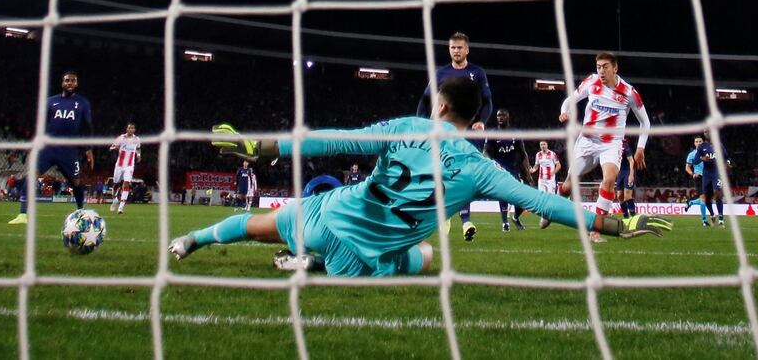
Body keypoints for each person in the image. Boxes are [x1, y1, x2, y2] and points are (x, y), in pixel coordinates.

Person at [169, 77, 671, 277]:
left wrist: (264, 145)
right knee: (428, 253)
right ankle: (317, 267)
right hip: (365, 260)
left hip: (329, 214)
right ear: (473, 121)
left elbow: (334, 139)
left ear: (440, 105)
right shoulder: (481, 171)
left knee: (257, 224)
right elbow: (545, 204)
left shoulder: (405, 126)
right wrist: (613, 224)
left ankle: (190, 241)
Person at [542, 52, 651, 244]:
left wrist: (640, 148)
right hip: (587, 141)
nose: (601, 71)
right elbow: (569, 100)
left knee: (609, 180)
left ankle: (596, 231)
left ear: (615, 68)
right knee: (568, 185)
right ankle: (551, 211)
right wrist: (563, 112)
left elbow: (645, 122)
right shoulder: (591, 82)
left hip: (611, 144)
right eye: (599, 66)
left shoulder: (629, 92)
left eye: (605, 67)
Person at [415, 32, 493, 242]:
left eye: (460, 47)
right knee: (444, 172)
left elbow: (487, 102)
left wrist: (482, 121)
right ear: (449, 49)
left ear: (467, 49)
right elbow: (424, 100)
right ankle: (453, 217)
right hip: (444, 131)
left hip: (469, 132)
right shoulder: (441, 73)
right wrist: (420, 123)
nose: (456, 51)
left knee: (465, 175)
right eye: (453, 47)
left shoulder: (477, 73)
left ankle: (462, 218)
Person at [9, 71, 94, 225]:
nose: (70, 83)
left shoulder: (83, 103)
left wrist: (88, 149)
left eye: (73, 81)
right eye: (67, 80)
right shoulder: (50, 101)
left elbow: (87, 127)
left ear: (77, 84)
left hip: (69, 150)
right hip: (48, 148)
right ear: (62, 83)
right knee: (31, 176)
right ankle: (22, 215)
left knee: (75, 183)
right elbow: (41, 124)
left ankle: (80, 211)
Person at [483, 109, 534, 232]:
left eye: (503, 115)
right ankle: (505, 222)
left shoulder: (515, 133)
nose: (500, 117)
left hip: (513, 169)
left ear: (508, 116)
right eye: (498, 115)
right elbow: (486, 152)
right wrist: (491, 164)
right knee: (503, 195)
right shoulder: (492, 134)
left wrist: (527, 173)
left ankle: (515, 217)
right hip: (498, 170)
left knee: (522, 197)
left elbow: (523, 154)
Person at [693, 129, 731, 227]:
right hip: (706, 174)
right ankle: (712, 214)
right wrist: (702, 158)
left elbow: (727, 157)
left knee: (718, 194)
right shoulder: (702, 147)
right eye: (705, 132)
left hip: (717, 173)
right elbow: (695, 161)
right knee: (707, 198)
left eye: (709, 131)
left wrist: (728, 164)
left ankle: (721, 219)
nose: (707, 133)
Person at [109, 123, 142, 214]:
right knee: (115, 184)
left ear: (134, 130)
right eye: (129, 128)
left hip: (129, 165)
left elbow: (138, 148)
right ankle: (115, 199)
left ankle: (121, 207)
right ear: (127, 129)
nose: (131, 129)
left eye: (132, 128)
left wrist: (139, 155)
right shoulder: (121, 138)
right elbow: (111, 147)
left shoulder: (137, 139)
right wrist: (116, 147)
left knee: (126, 184)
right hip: (119, 165)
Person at [684, 136, 711, 226]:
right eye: (697, 141)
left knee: (707, 198)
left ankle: (691, 202)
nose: (698, 143)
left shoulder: (708, 153)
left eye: (700, 141)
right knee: (703, 198)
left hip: (709, 177)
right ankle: (704, 221)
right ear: (694, 143)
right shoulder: (692, 154)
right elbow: (687, 167)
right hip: (699, 177)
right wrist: (693, 174)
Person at [615, 138, 637, 218]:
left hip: (627, 172)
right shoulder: (611, 146)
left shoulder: (624, 145)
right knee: (619, 196)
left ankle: (633, 215)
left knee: (627, 196)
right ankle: (625, 216)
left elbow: (631, 160)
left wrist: (631, 174)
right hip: (620, 173)